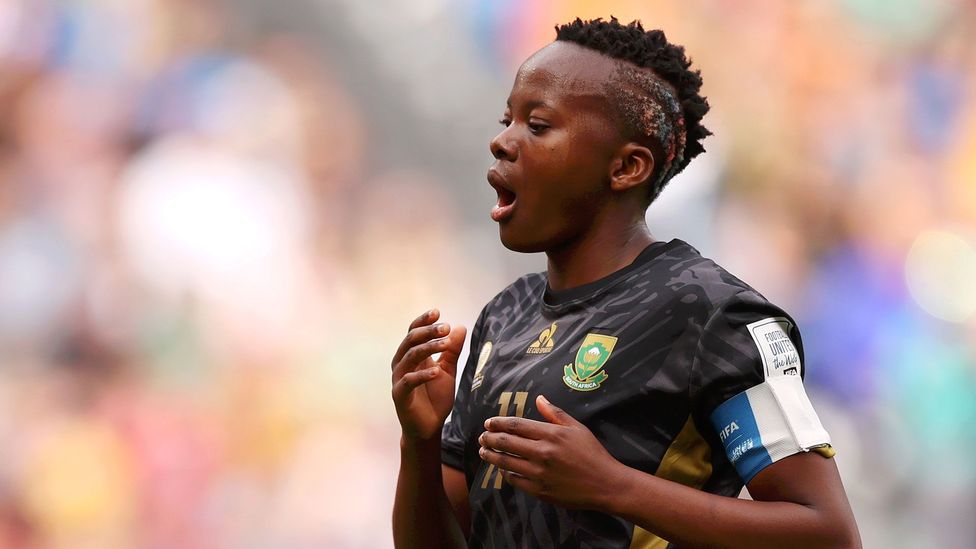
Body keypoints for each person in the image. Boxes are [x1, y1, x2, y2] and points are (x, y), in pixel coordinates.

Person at [390, 17, 860, 548]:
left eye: (538, 125)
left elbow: (828, 532)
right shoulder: (505, 315)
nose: (502, 142)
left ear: (626, 167)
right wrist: (419, 444)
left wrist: (612, 486)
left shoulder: (713, 314)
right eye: (507, 120)